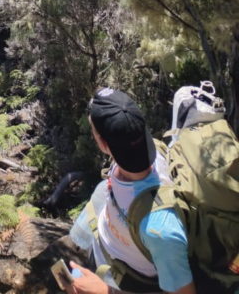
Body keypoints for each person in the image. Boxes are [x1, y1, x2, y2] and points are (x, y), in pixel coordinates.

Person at [68, 88, 196, 294]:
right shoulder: (149, 150)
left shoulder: (160, 228)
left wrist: (104, 291)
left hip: (123, 281)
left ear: (102, 143)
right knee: (102, 190)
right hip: (108, 246)